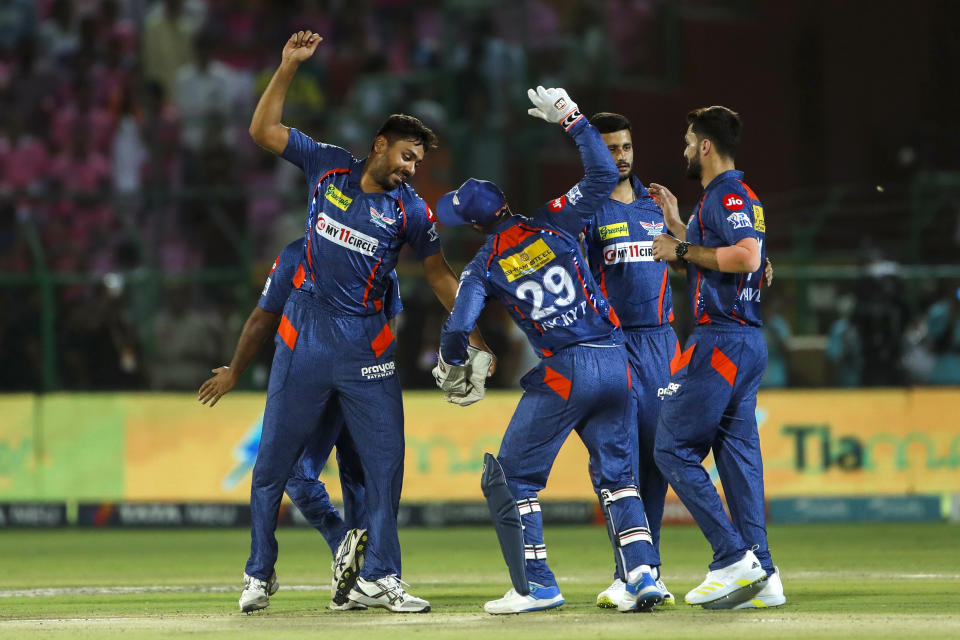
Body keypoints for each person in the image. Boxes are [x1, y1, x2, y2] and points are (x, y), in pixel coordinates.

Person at [243, 30, 492, 614]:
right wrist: (286, 67)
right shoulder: (327, 166)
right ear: (380, 145)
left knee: (385, 464)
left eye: (419, 162)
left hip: (365, 345)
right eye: (407, 156)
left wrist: (472, 332)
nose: (412, 169)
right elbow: (262, 132)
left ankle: (380, 577)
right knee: (274, 463)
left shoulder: (412, 211)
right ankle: (259, 574)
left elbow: (438, 274)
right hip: (305, 333)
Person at [436, 86, 663, 614]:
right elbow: (605, 176)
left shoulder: (484, 264)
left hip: (565, 369)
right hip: (615, 358)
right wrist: (573, 121)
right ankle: (642, 573)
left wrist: (457, 362)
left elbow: (457, 327)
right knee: (618, 475)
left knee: (513, 476)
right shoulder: (554, 219)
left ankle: (536, 584)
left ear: (473, 224)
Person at [197, 239, 402, 612]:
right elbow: (263, 316)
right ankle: (340, 547)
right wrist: (235, 371)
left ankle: (362, 579)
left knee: (359, 477)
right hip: (310, 381)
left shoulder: (377, 255)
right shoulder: (297, 255)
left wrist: (376, 375)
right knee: (291, 473)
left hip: (359, 380)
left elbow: (387, 323)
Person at [649, 105, 785, 609]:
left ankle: (732, 558)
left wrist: (677, 251)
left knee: (672, 449)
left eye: (688, 141)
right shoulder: (740, 197)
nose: (684, 149)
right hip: (748, 341)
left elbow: (747, 256)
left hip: (722, 340)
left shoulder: (726, 193)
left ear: (706, 145)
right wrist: (678, 226)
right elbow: (744, 257)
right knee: (737, 457)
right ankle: (764, 573)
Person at [580, 112, 678, 607]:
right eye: (610, 149)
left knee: (658, 458)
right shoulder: (588, 207)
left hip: (662, 344)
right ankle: (628, 573)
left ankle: (647, 569)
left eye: (625, 147)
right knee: (620, 464)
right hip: (614, 346)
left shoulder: (655, 204)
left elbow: (694, 254)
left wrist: (678, 218)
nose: (620, 157)